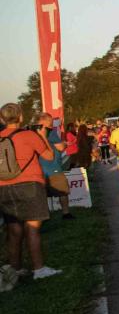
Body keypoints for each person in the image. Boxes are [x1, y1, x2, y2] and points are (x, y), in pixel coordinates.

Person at [0, 103, 60, 283]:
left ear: (2, 119)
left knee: (14, 229)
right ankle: (39, 268)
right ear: (20, 117)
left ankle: (15, 269)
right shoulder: (28, 135)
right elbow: (49, 156)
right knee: (32, 228)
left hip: (4, 187)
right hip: (29, 185)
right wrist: (42, 137)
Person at [37, 113, 72, 219]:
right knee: (62, 191)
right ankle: (66, 213)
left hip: (39, 169)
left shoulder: (32, 132)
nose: (52, 124)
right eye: (50, 121)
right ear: (44, 121)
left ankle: (45, 215)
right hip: (53, 167)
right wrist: (65, 144)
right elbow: (60, 147)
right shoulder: (50, 132)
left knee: (42, 195)